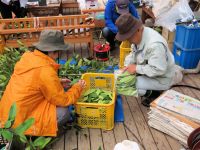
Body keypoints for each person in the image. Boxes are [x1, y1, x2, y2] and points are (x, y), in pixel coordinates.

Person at [0, 29, 86, 136]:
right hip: (20, 122)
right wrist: (78, 87)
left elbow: (32, 82)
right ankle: (32, 133)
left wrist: (57, 82)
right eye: (58, 52)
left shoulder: (27, 57)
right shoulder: (46, 70)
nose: (58, 55)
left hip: (6, 115)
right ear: (52, 51)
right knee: (64, 113)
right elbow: (63, 100)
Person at [115, 13, 182, 107]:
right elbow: (133, 53)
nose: (128, 40)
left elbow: (158, 70)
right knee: (121, 78)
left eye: (129, 37)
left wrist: (136, 68)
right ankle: (150, 90)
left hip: (162, 78)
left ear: (138, 30)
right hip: (148, 72)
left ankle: (154, 93)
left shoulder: (154, 45)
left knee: (126, 84)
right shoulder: (139, 36)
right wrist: (127, 66)